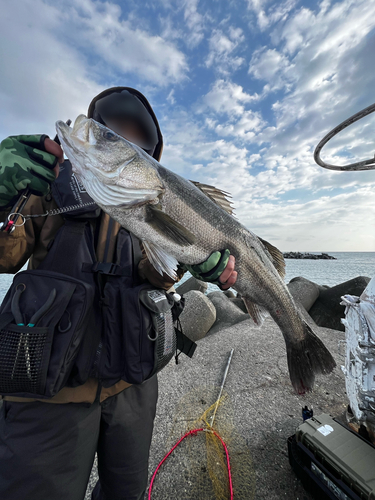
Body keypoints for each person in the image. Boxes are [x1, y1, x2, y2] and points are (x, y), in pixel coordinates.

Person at [0, 87, 237, 500]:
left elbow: (156, 275)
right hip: (48, 391)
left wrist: (190, 258)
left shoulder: (157, 206)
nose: (126, 139)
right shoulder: (46, 184)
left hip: (132, 384)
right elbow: (5, 256)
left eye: (139, 136)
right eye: (113, 130)